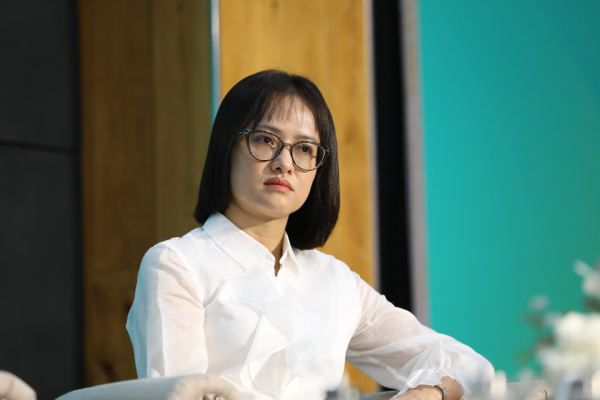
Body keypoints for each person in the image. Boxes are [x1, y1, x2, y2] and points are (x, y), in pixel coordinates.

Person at [126, 70, 494, 400]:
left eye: (304, 149)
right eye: (265, 139)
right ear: (227, 146)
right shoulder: (176, 265)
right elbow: (178, 396)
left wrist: (429, 392)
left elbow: (468, 366)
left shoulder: (335, 281)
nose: (284, 163)